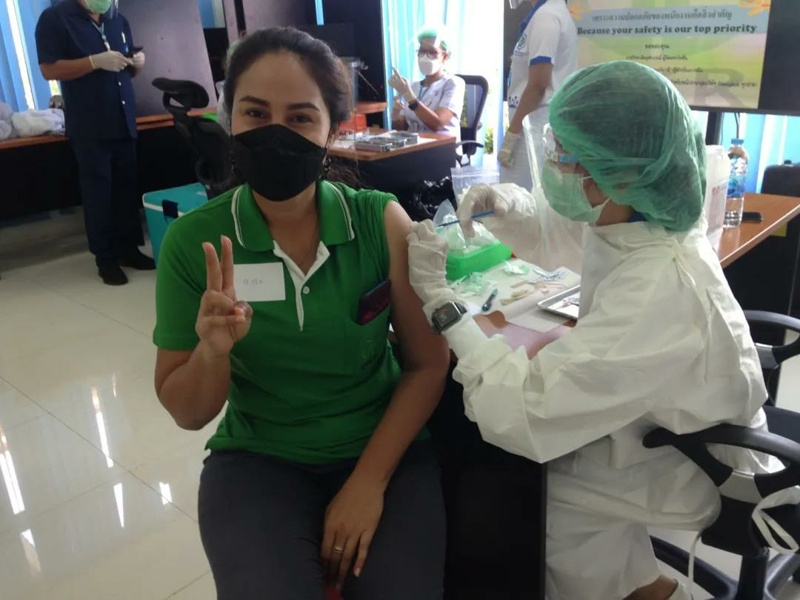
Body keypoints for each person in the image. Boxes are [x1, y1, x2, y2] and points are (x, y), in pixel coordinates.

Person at [407, 61, 796, 600]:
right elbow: (569, 233)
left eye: (567, 157)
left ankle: (647, 590)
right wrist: (508, 205)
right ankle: (643, 584)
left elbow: (519, 410)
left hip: (704, 465)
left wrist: (444, 307)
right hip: (661, 419)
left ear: (624, 176)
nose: (555, 165)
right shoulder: (641, 219)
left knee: (540, 490)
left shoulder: (657, 287)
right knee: (558, 479)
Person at [153, 27, 449, 600]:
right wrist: (212, 353)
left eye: (300, 117)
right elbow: (189, 413)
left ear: (333, 129)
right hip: (260, 458)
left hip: (382, 446)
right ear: (230, 119)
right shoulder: (195, 242)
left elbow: (427, 365)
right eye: (255, 113)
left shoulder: (381, 222)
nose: (275, 134)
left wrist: (367, 483)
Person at [35, 0, 154, 286]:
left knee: (126, 189)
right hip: (90, 125)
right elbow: (49, 69)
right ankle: (106, 259)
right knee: (99, 194)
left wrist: (137, 64)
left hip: (123, 120)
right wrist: (93, 62)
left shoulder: (117, 19)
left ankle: (129, 249)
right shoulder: (55, 19)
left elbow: (125, 66)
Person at [500, 0, 577, 190]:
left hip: (533, 125)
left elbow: (538, 85)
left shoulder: (547, 17)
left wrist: (512, 134)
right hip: (534, 123)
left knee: (517, 198)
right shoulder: (549, 13)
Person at [389, 26, 465, 141]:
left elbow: (437, 124)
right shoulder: (413, 87)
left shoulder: (453, 84)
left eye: (432, 52)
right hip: (415, 146)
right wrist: (395, 114)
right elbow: (401, 130)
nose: (425, 56)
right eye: (422, 51)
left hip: (441, 147)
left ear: (445, 57)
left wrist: (410, 97)